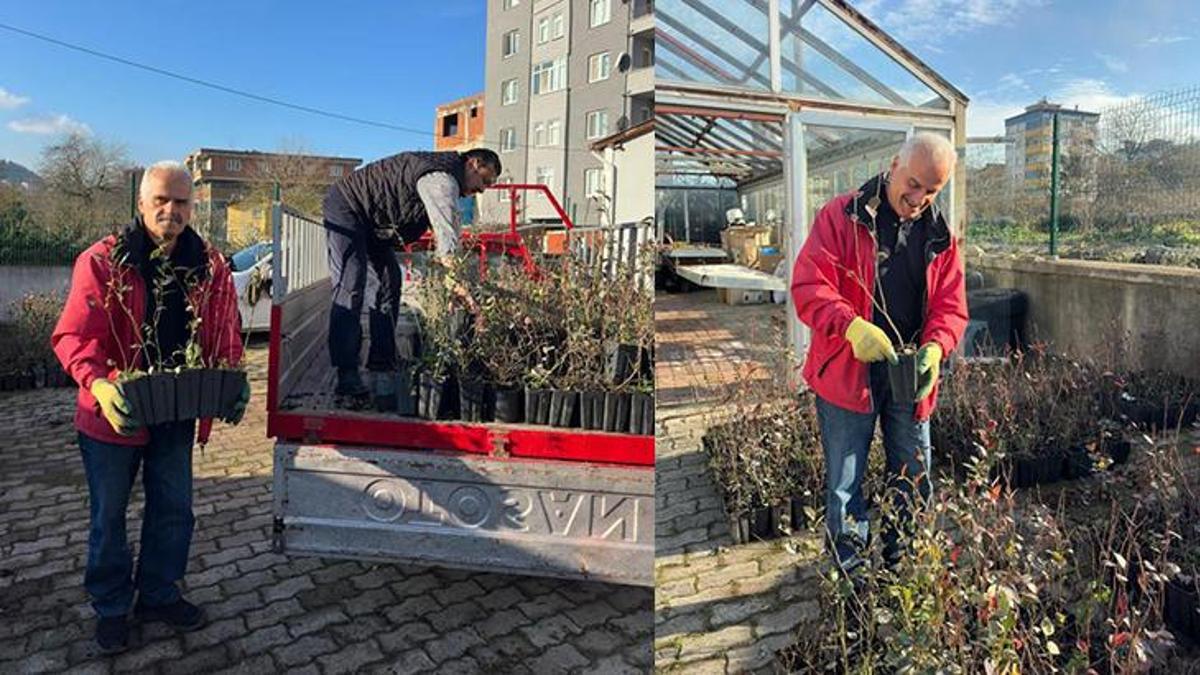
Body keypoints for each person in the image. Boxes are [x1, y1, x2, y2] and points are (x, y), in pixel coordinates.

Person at [51, 161, 250, 653]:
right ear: (141, 203)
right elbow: (74, 336)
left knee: (175, 510)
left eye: (181, 202)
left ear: (193, 206)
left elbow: (224, 332)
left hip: (177, 411)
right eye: (161, 200)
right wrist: (98, 385)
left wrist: (232, 378)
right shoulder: (103, 261)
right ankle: (112, 605)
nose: (170, 210)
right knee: (109, 514)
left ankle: (159, 593)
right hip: (112, 413)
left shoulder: (210, 265)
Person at [790, 133, 968, 572]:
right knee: (845, 485)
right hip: (846, 374)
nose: (918, 198)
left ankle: (902, 568)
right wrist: (850, 326)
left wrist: (935, 347)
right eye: (913, 183)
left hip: (909, 375)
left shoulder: (940, 237)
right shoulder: (841, 216)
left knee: (912, 475)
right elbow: (808, 287)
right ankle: (849, 576)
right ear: (894, 165)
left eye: (931, 191)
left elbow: (951, 307)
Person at [323, 148, 501, 402]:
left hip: (374, 222)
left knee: (388, 281)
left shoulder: (448, 181)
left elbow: (452, 230)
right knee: (351, 283)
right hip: (347, 205)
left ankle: (382, 362)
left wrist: (456, 277)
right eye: (484, 180)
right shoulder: (441, 179)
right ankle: (346, 373)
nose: (483, 189)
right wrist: (456, 282)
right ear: (473, 163)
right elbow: (446, 234)